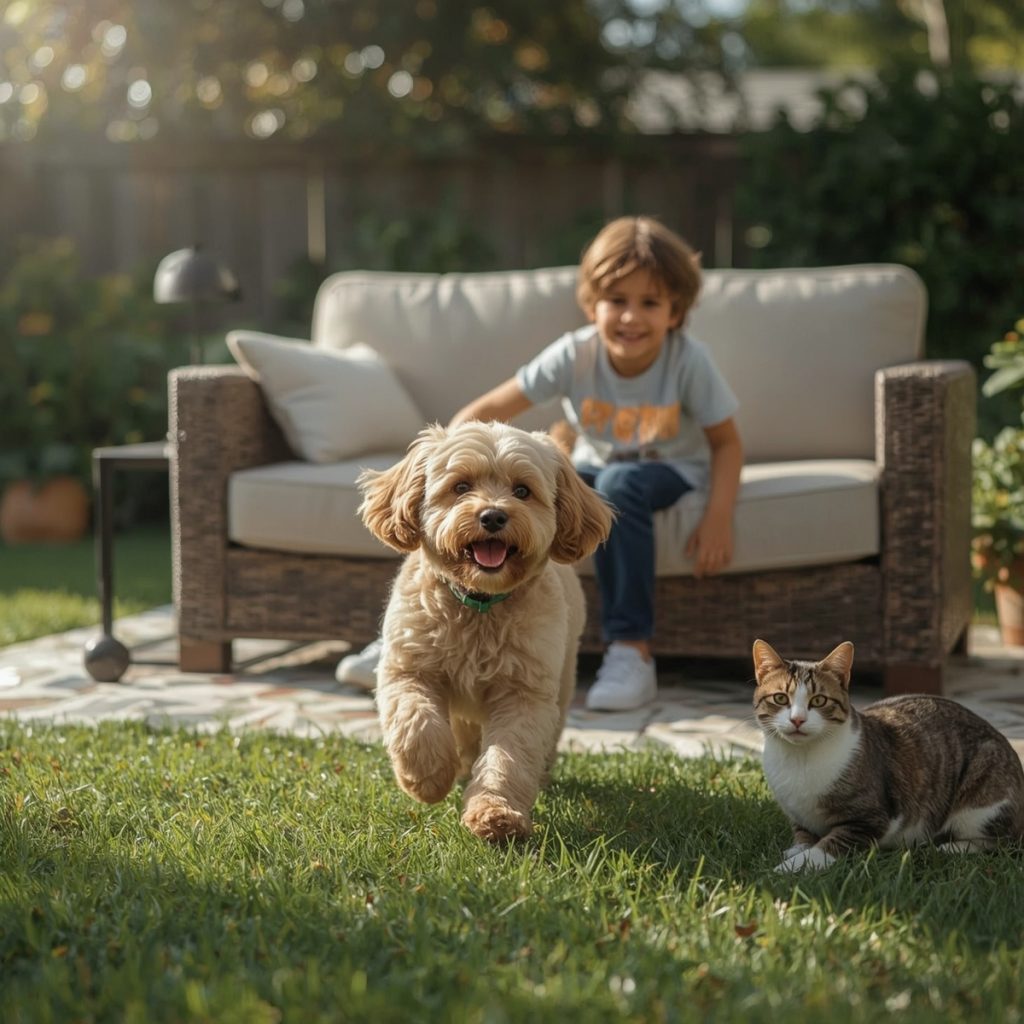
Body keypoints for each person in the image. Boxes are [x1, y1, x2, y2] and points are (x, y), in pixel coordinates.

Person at [337, 215, 743, 710]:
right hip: (593, 466)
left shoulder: (688, 361)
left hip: (670, 472)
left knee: (621, 482)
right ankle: (405, 642)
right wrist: (454, 462)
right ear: (592, 304)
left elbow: (726, 443)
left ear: (675, 312)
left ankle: (631, 650)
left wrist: (718, 515)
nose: (631, 317)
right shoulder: (575, 354)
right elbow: (483, 413)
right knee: (558, 488)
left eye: (650, 303)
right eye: (617, 301)